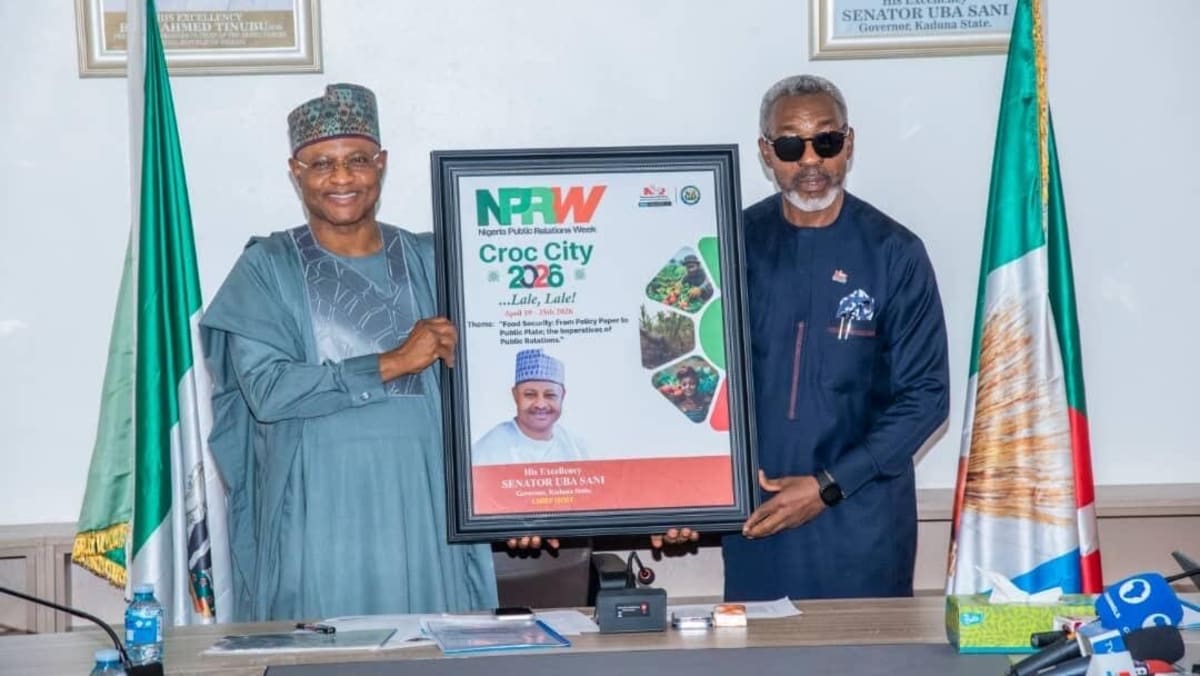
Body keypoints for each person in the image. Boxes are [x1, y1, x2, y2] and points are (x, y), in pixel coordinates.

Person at [201, 83, 498, 621]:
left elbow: (497, 375)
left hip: (427, 512)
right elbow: (269, 392)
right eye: (321, 164)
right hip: (319, 522)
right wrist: (394, 361)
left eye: (356, 160)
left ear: (380, 164)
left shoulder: (438, 257)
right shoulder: (267, 268)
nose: (341, 178)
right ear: (295, 171)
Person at [720, 74, 950, 600]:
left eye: (825, 141)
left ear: (847, 145)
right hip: (761, 518)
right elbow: (693, 375)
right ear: (766, 152)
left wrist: (826, 486)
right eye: (789, 145)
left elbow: (925, 399)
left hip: (862, 523)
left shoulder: (895, 253)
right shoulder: (732, 245)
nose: (809, 161)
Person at [472, 348, 589, 465]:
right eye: (530, 395)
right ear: (515, 395)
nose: (540, 404)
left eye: (550, 395)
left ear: (562, 396)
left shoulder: (576, 448)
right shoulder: (488, 449)